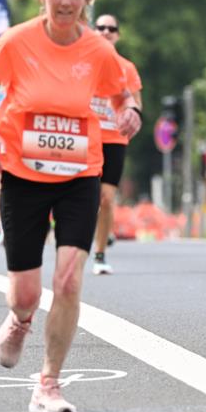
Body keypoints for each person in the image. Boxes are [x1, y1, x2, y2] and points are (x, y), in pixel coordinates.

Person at [0, 0, 141, 412]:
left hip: (80, 173)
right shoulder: (16, 42)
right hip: (23, 175)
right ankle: (21, 319)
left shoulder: (98, 51)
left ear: (86, 0)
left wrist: (132, 113)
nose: (65, 2)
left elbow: (121, 93)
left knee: (67, 280)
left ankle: (48, 384)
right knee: (26, 292)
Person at [90, 14, 143, 274]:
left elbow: (136, 105)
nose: (106, 31)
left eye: (111, 28)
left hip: (113, 139)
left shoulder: (127, 68)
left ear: (117, 35)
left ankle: (99, 255)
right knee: (85, 197)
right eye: (100, 27)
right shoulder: (83, 63)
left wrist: (131, 117)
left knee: (107, 198)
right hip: (85, 138)